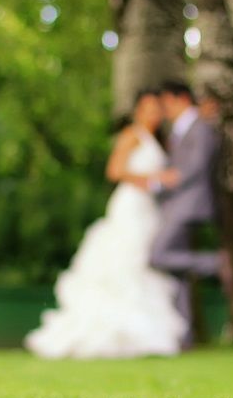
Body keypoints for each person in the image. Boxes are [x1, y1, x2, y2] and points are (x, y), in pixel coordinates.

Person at [24, 90, 186, 359]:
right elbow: (115, 171)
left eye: (157, 109)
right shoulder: (131, 135)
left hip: (148, 209)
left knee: (144, 266)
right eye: (148, 109)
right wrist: (155, 177)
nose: (153, 114)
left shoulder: (160, 140)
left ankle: (144, 334)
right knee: (123, 262)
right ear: (137, 111)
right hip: (130, 205)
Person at [124, 82, 223, 349]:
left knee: (157, 255)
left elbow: (193, 167)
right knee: (177, 275)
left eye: (165, 103)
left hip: (188, 205)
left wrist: (161, 181)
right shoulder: (177, 131)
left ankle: (218, 264)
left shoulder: (198, 126)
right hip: (168, 205)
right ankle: (184, 335)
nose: (162, 110)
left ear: (179, 99)